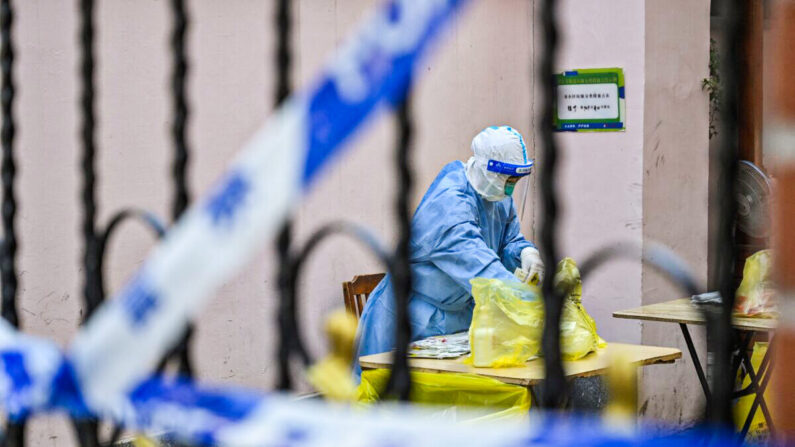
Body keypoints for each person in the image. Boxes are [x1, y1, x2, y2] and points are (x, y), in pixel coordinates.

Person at [353, 125, 543, 379]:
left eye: (516, 181)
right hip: (411, 320)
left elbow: (508, 241)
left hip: (452, 326)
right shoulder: (449, 207)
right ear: (487, 169)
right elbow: (483, 271)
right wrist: (539, 305)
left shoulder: (496, 197)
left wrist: (526, 253)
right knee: (391, 404)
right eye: (508, 180)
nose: (511, 189)